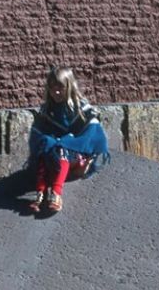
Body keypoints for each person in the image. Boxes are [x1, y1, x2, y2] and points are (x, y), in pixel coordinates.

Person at [27, 66, 109, 212]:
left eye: (61, 88)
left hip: (75, 155)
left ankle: (56, 193)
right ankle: (40, 192)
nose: (56, 92)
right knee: (44, 148)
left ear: (70, 86)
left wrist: (67, 142)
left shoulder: (81, 109)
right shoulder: (47, 111)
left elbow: (93, 132)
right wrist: (49, 142)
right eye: (52, 88)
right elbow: (38, 134)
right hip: (53, 154)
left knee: (61, 149)